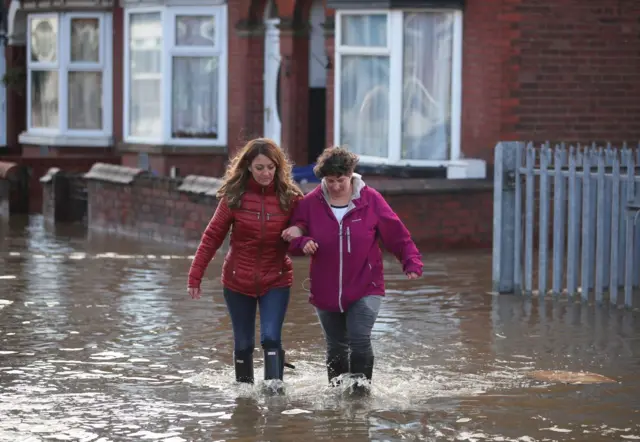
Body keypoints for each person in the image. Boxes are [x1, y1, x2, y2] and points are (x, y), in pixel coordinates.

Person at [282, 146, 423, 394]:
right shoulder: (309, 203)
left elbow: (397, 235)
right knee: (335, 346)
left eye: (341, 180)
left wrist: (410, 260)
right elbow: (293, 237)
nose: (335, 186)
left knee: (359, 339)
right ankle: (337, 397)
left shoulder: (371, 200)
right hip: (326, 288)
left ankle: (360, 396)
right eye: (330, 180)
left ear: (351, 175)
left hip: (366, 285)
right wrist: (302, 242)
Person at [188, 138, 304, 386]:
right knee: (244, 344)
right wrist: (195, 276)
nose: (266, 173)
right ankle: (244, 398)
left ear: (278, 167)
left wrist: (299, 233)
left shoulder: (291, 198)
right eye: (260, 167)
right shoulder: (234, 197)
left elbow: (308, 228)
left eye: (271, 167)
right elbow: (211, 238)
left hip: (277, 278)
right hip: (237, 280)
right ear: (249, 166)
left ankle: (274, 395)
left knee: (271, 338)